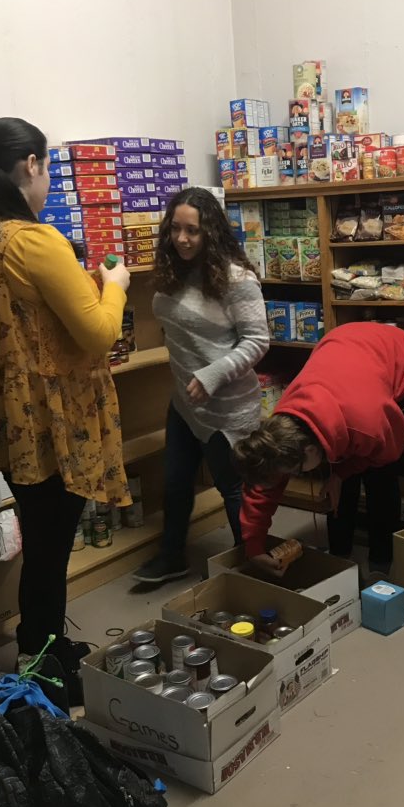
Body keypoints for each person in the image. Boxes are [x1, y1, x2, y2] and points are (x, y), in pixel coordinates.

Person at [0, 117, 131, 701]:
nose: (48, 179)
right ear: (31, 165)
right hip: (52, 425)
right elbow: (99, 333)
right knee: (50, 547)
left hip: (6, 421)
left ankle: (44, 642)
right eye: (47, 167)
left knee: (43, 538)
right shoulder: (35, 240)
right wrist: (115, 284)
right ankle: (43, 661)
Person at [133, 187, 269, 583]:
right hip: (185, 402)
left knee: (232, 489)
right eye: (175, 229)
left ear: (211, 231)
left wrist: (212, 375)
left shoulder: (236, 279)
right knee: (175, 483)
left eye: (192, 230)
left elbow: (257, 341)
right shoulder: (173, 271)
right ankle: (172, 557)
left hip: (227, 409)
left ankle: (252, 571)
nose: (182, 238)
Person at [233, 322, 404, 577]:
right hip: (342, 351)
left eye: (297, 471)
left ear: (310, 450)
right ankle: (339, 558)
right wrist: (254, 546)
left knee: (380, 479)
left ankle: (381, 564)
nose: (296, 476)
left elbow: (387, 452)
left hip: (396, 356)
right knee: (338, 480)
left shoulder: (368, 423)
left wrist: (341, 472)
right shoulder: (283, 422)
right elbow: (266, 482)